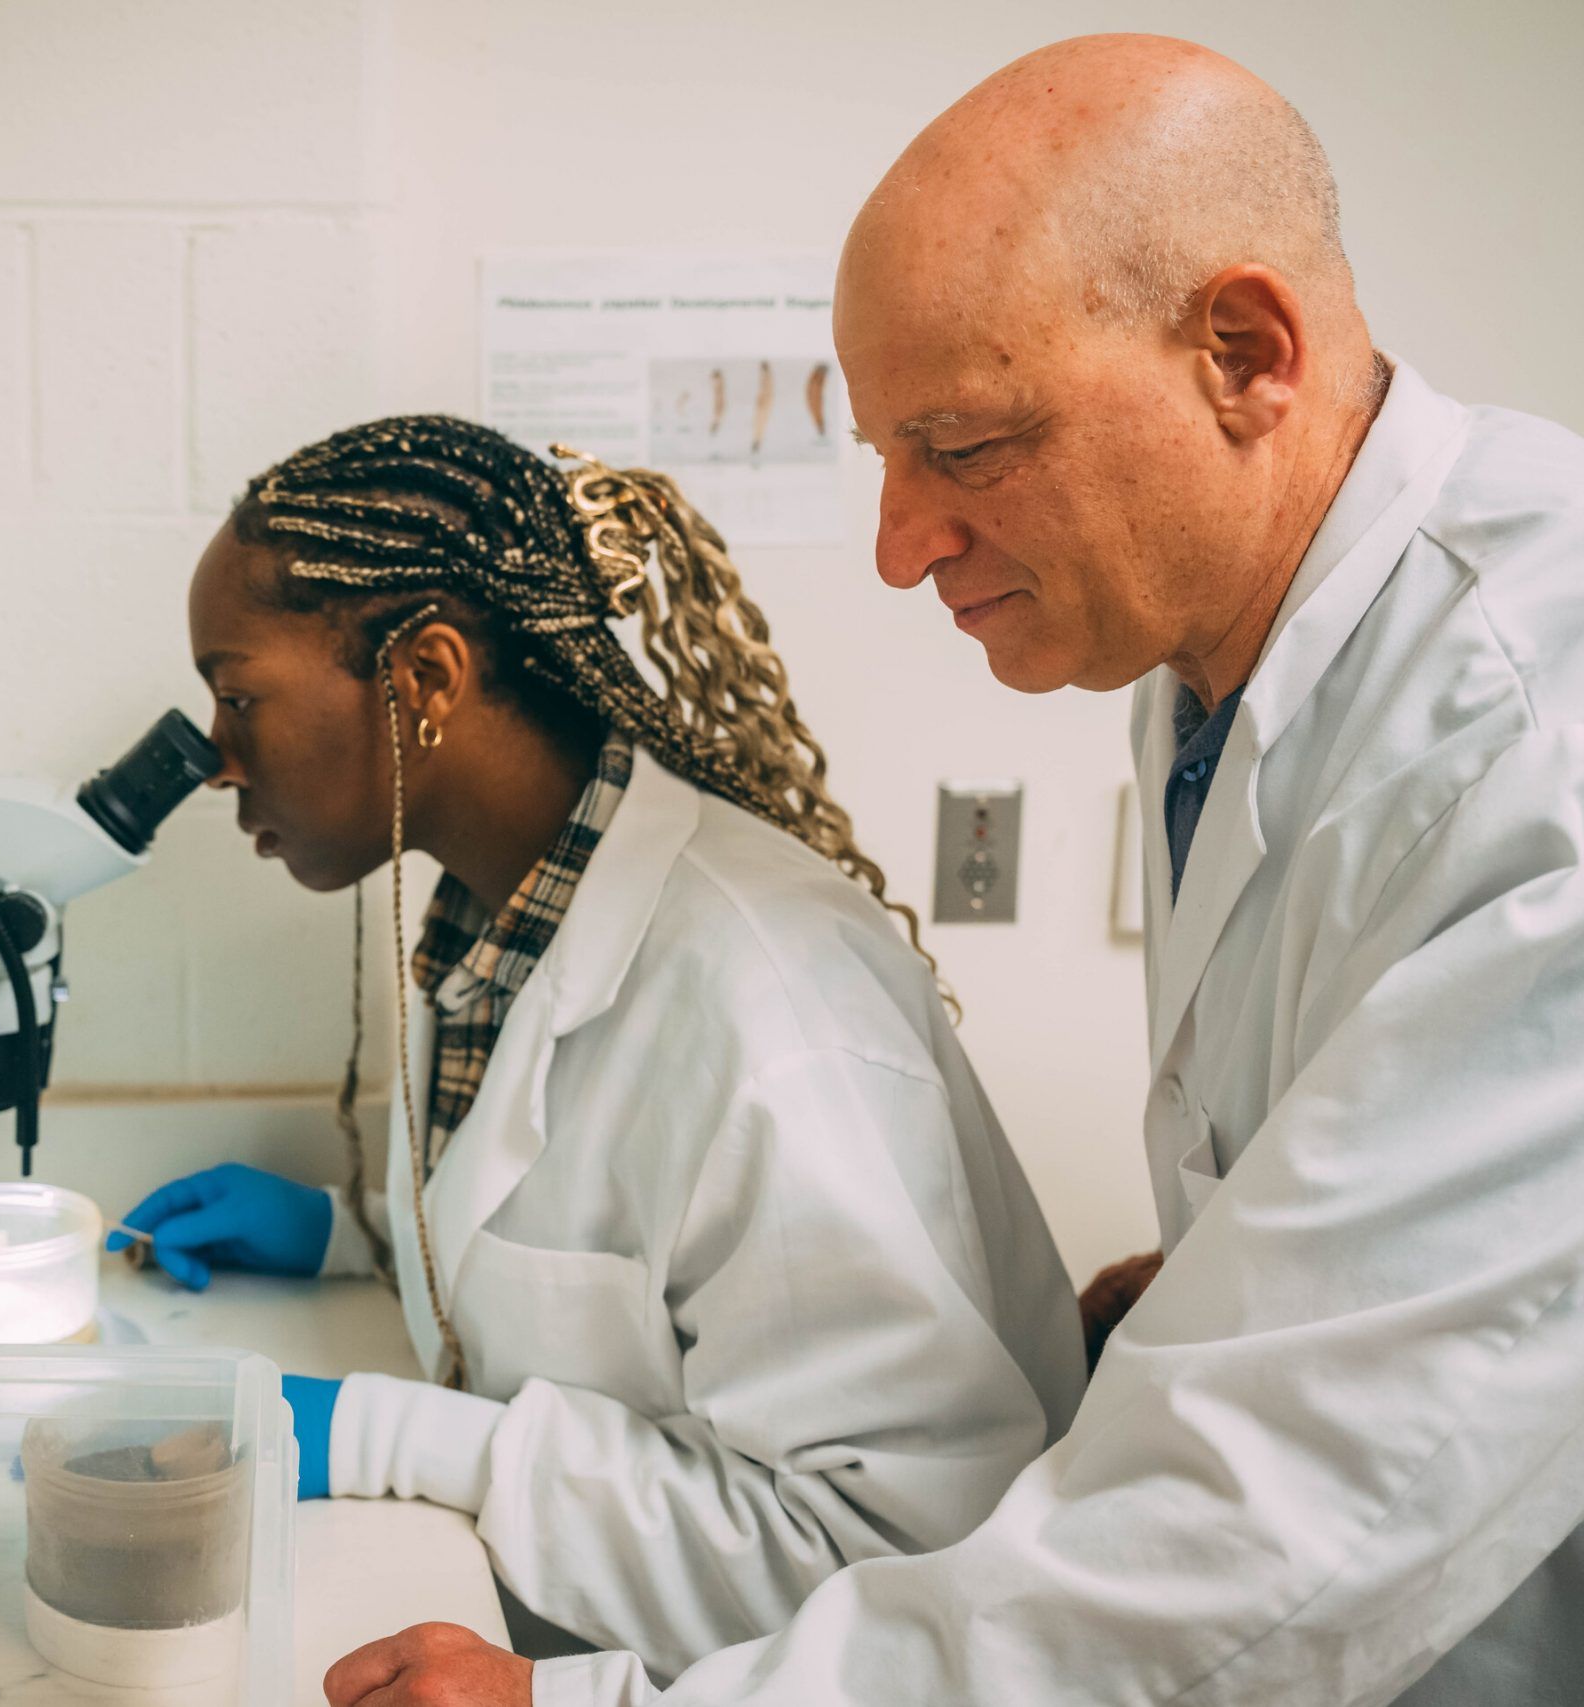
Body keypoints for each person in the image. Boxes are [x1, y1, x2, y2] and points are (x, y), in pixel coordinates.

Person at [324, 33, 1584, 1707]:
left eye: (968, 449)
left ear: (1243, 352)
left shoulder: (1533, 734)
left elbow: (1246, 1544)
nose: (899, 544)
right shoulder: (1220, 657)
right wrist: (1235, 1265)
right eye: (884, 459)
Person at [118, 415, 1086, 1677]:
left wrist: (378, 1437)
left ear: (424, 677)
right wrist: (351, 1228)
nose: (213, 761)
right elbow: (601, 1249)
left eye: (237, 694)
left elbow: (891, 1550)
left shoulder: (766, 1007)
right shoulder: (496, 908)